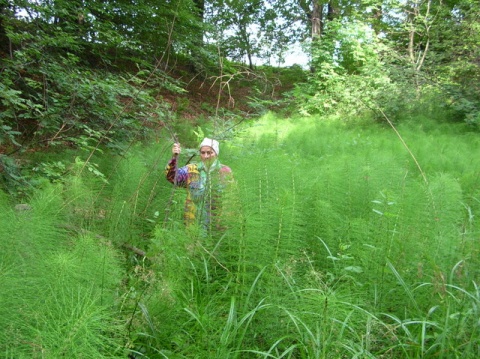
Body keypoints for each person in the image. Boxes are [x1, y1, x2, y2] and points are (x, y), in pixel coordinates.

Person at [165, 138, 233, 231]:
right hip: (193, 224)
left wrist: (227, 220)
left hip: (217, 225)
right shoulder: (191, 169)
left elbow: (231, 197)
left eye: (209, 153)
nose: (206, 156)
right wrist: (174, 158)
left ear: (216, 154)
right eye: (203, 152)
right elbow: (172, 177)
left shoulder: (225, 171)